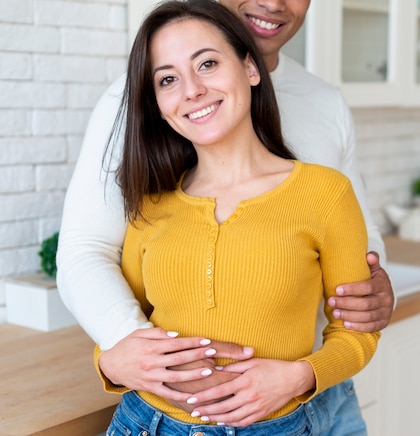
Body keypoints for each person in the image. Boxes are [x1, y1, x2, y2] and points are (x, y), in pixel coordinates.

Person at [57, 0, 394, 433]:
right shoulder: (154, 200)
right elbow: (93, 261)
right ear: (155, 102)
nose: (192, 90)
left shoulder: (325, 130)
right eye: (168, 80)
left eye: (209, 64)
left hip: (301, 406)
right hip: (149, 420)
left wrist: (373, 298)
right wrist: (115, 356)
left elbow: (363, 256)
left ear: (250, 69)